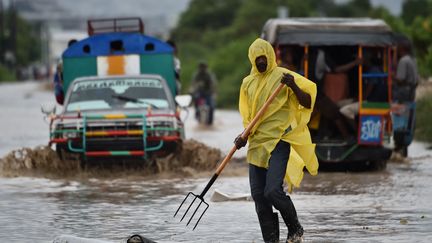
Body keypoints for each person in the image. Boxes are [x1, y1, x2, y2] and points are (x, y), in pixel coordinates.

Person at [234, 38, 318, 243]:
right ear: (252, 60)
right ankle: (271, 241)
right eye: (257, 59)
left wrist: (294, 87)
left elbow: (307, 102)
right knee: (260, 198)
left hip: (278, 141)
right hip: (256, 145)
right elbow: (248, 116)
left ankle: (295, 228)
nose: (261, 62)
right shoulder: (247, 83)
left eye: (264, 58)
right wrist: (243, 136)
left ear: (271, 56)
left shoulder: (283, 77)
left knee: (272, 191)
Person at [313, 47, 362, 138]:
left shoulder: (316, 55)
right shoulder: (320, 56)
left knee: (331, 112)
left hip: (317, 93)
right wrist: (355, 63)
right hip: (315, 93)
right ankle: (349, 137)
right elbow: (335, 69)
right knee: (334, 113)